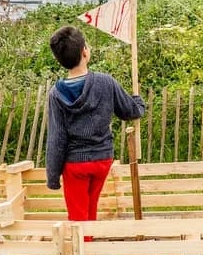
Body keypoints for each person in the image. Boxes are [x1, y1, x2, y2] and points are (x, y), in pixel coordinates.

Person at [46, 25, 145, 227]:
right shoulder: (105, 82)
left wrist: (53, 177)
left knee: (78, 219)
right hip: (102, 159)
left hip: (76, 164)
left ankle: (85, 248)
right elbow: (129, 111)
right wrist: (138, 102)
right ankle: (90, 244)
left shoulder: (56, 94)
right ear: (85, 52)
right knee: (90, 208)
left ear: (59, 60)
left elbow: (57, 138)